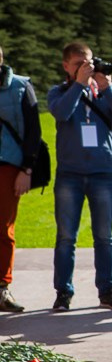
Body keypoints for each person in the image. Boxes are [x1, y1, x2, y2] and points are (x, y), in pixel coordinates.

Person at [48, 41, 112, 311]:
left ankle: (107, 291)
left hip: (102, 173)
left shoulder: (107, 90)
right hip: (69, 175)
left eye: (88, 63)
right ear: (66, 66)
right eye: (78, 64)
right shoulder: (59, 92)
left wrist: (107, 88)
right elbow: (61, 112)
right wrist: (79, 85)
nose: (86, 68)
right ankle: (63, 293)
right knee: (65, 238)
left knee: (104, 236)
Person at [0, 44, 42, 313]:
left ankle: (2, 287)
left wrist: (27, 170)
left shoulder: (20, 87)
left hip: (10, 167)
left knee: (3, 229)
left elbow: (33, 132)